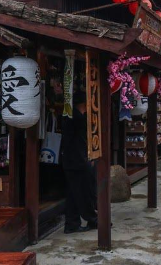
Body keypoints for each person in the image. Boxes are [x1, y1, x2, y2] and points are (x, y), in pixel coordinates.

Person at [60, 91, 98, 233]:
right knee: (83, 192)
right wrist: (87, 159)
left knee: (73, 193)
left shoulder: (74, 116)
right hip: (77, 160)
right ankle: (92, 219)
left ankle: (72, 223)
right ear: (84, 103)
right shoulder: (75, 118)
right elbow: (75, 143)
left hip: (73, 159)